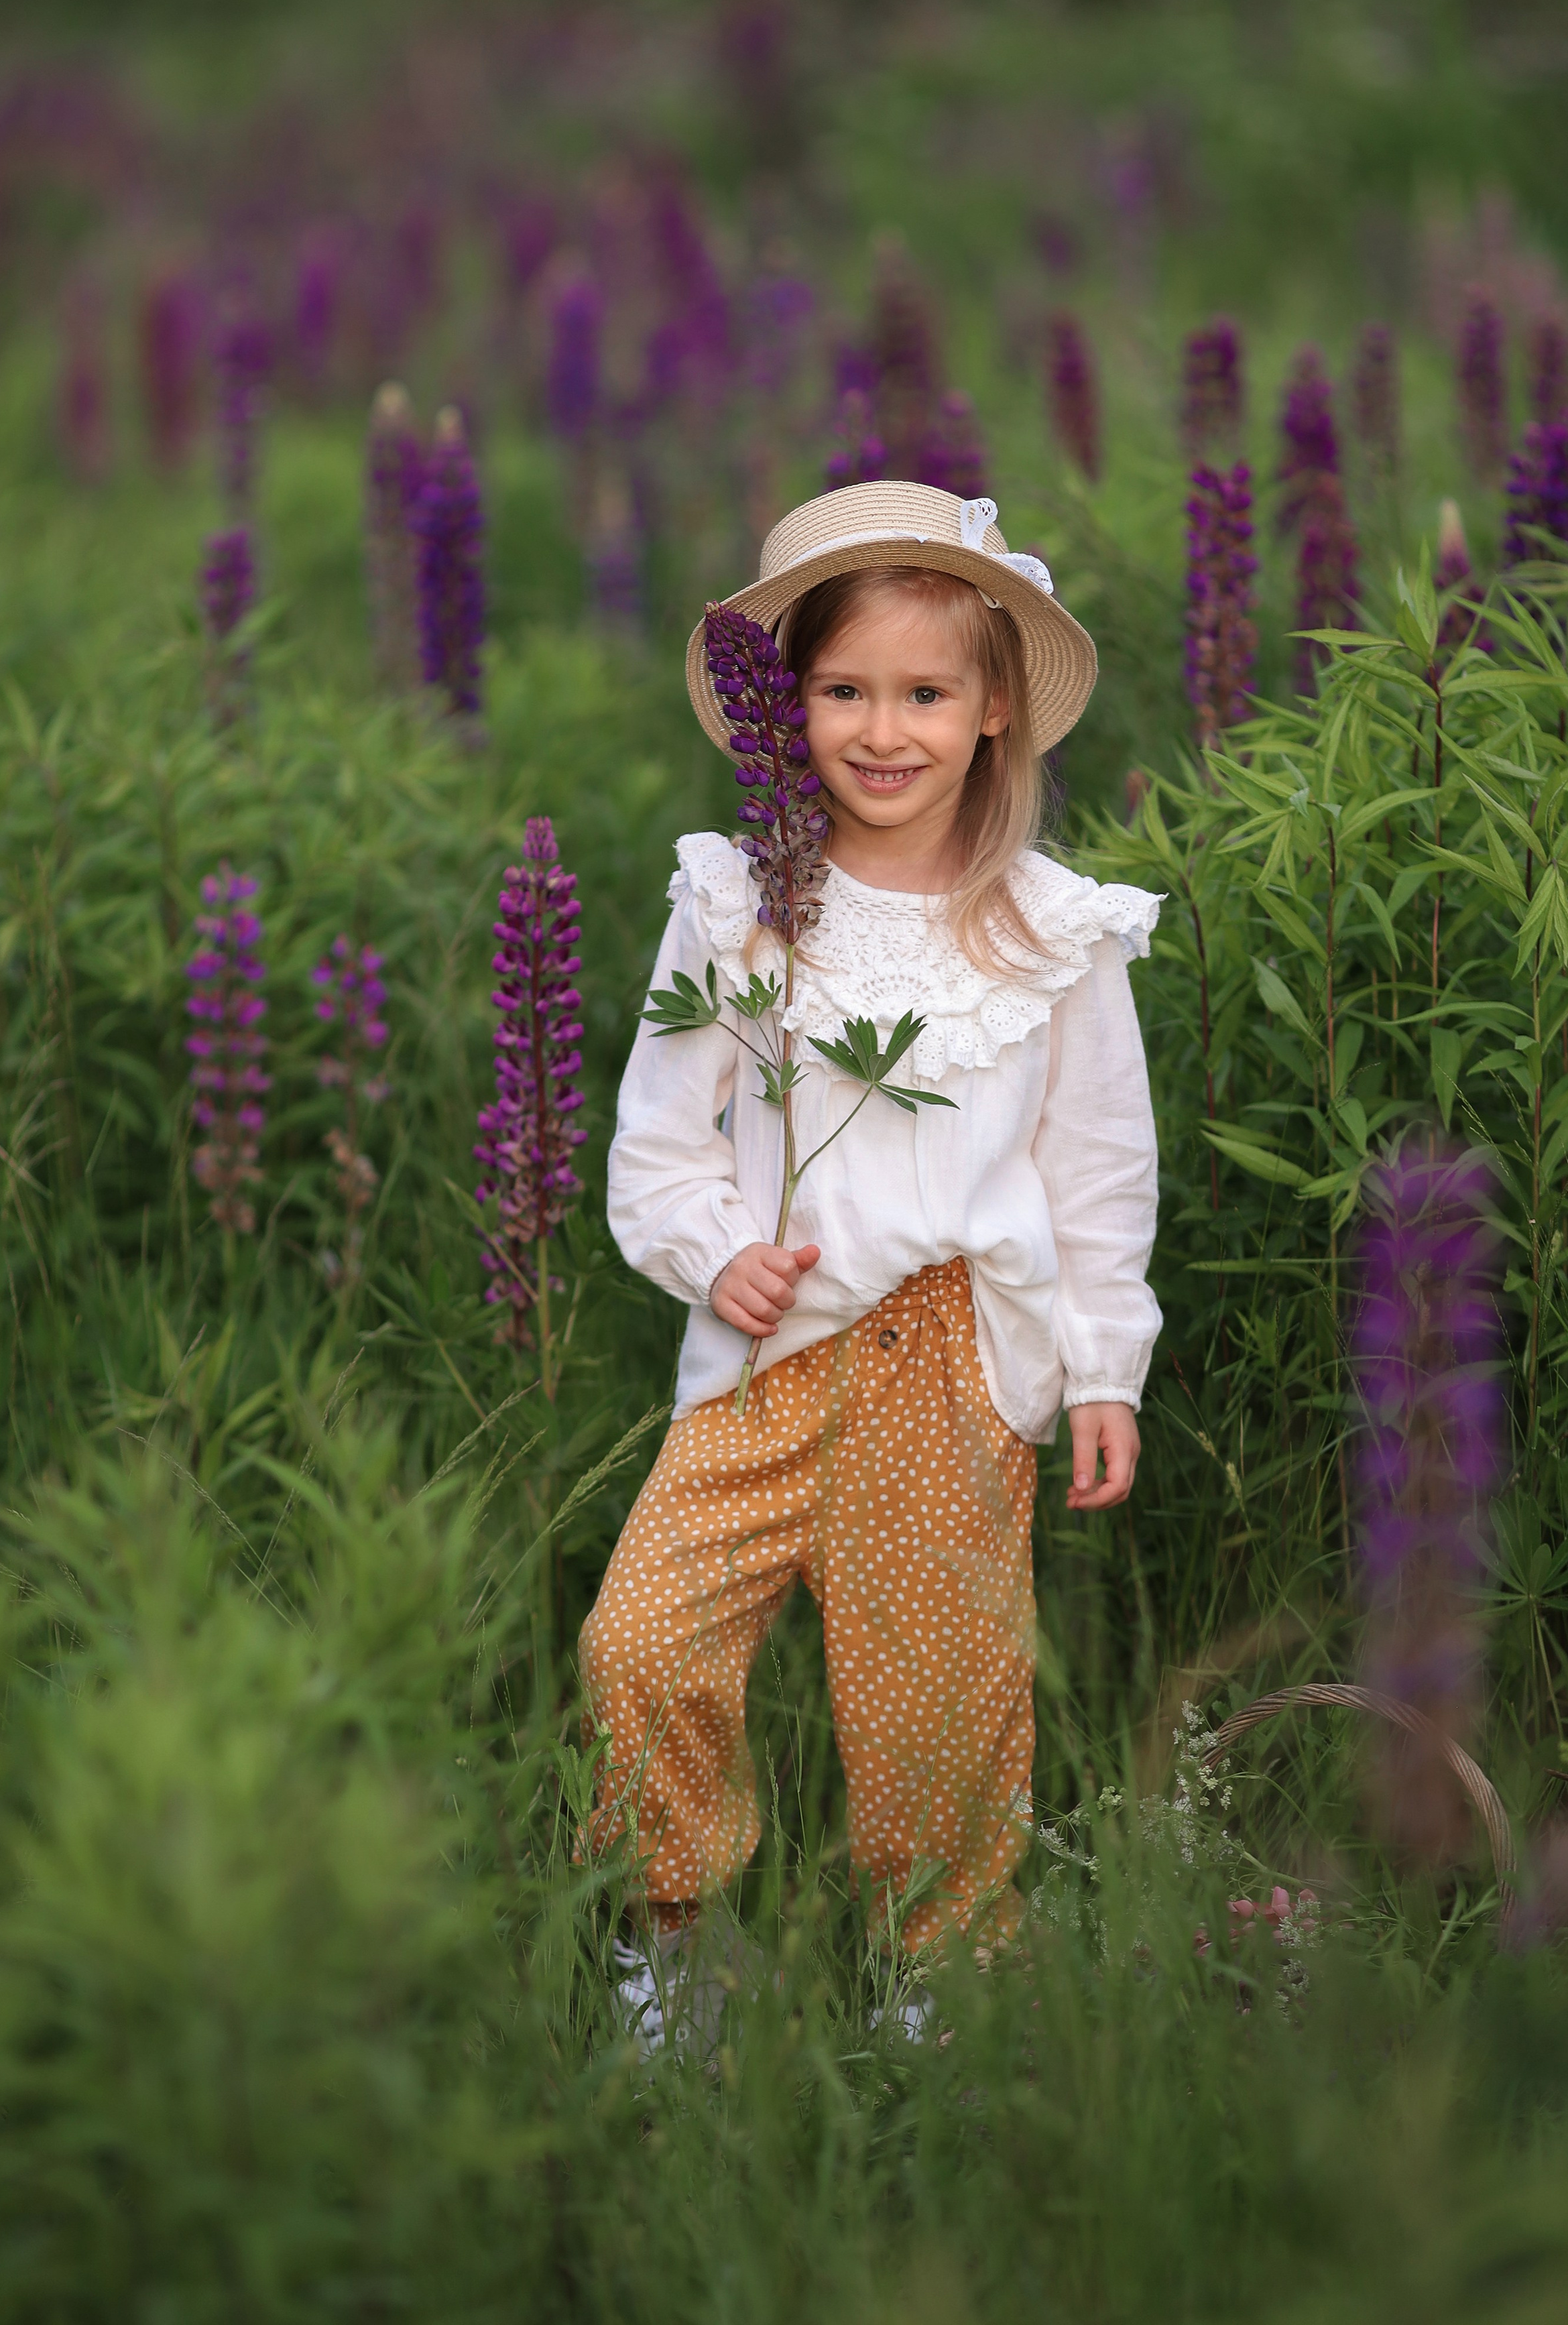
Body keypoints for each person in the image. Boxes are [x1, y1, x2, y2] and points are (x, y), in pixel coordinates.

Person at [579, 479, 1161, 2039]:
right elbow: (658, 1137)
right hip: (766, 1357)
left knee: (937, 1700)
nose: (880, 728)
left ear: (989, 714)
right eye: (841, 690)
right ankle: (676, 1941)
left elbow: (1097, 1171)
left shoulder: (1050, 927)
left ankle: (944, 1983)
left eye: (923, 691)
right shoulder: (737, 905)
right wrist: (716, 1255)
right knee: (640, 1638)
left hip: (953, 1350)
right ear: (789, 705)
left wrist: (1103, 1364)